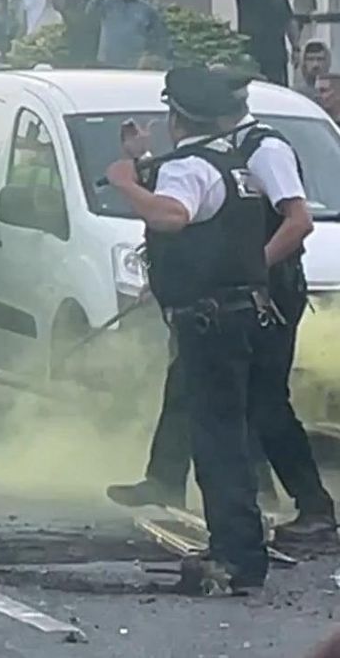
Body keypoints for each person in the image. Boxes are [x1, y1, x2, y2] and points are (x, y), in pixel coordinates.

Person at [108, 70, 336, 543]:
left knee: (263, 401)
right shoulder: (222, 149)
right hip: (235, 289)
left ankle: (310, 505)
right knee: (189, 377)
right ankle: (166, 478)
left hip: (266, 290)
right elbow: (200, 201)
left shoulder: (263, 149)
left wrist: (246, 270)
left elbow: (298, 221)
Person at [103, 66, 273, 594]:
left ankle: (237, 556)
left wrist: (127, 183)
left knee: (216, 441)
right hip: (241, 313)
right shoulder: (231, 163)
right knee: (228, 435)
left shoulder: (190, 169)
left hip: (211, 320)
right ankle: (236, 545)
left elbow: (173, 216)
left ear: (176, 115)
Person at [88, 0, 170, 69]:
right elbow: (89, 13)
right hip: (106, 63)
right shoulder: (108, 4)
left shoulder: (148, 10)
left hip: (135, 66)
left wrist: (153, 58)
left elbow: (160, 38)